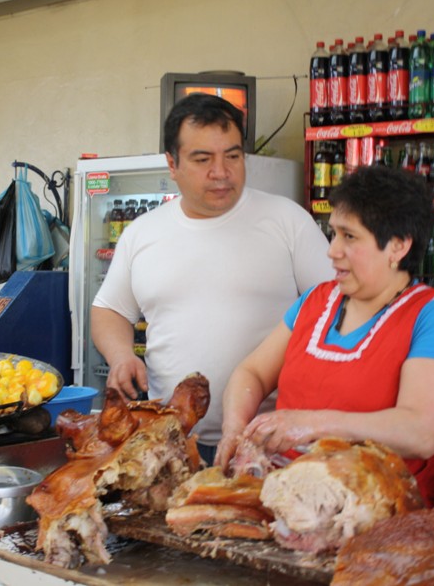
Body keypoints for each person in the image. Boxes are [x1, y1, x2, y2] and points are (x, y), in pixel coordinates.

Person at [91, 93, 334, 464]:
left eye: (233, 156)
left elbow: (339, 308)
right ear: (172, 164)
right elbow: (109, 309)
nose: (221, 172)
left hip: (270, 442)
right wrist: (121, 355)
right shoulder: (142, 233)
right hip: (170, 441)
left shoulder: (287, 221)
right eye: (202, 159)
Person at [215, 165, 434, 506]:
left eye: (349, 237)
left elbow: (420, 433)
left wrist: (314, 424)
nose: (332, 250)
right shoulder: (315, 302)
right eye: (333, 233)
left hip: (390, 518)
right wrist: (235, 428)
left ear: (397, 246)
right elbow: (251, 373)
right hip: (292, 505)